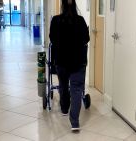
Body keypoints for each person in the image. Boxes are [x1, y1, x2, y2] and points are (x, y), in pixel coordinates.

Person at [49, 0, 90, 131]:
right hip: (78, 62)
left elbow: (52, 39)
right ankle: (75, 122)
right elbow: (86, 39)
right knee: (77, 89)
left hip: (61, 61)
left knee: (63, 85)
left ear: (62, 5)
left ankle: (65, 108)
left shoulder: (55, 21)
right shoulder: (81, 21)